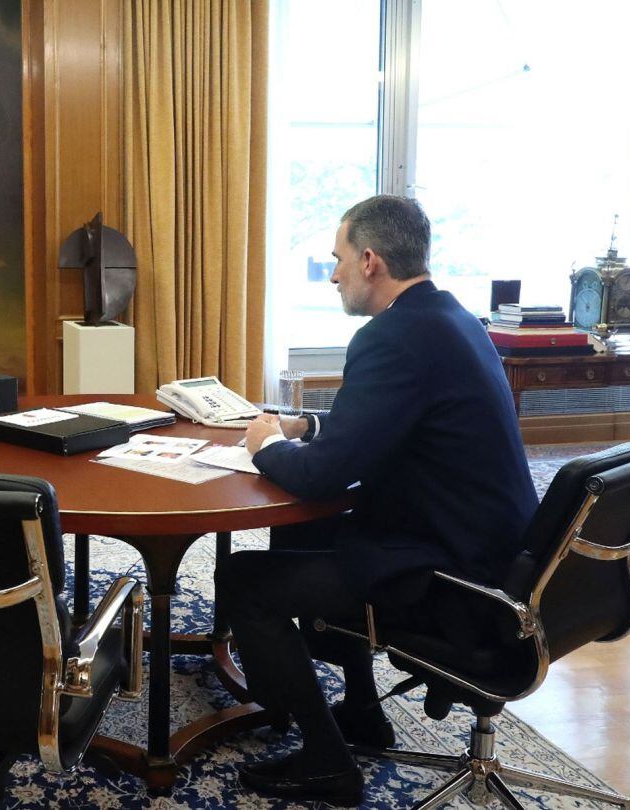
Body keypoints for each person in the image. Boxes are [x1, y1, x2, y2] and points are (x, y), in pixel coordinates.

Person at [217, 195, 538, 805]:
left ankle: (325, 762)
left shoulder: (391, 339)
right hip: (491, 553)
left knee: (243, 582)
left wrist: (262, 445)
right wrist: (305, 427)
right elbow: (381, 426)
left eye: (336, 259)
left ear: (369, 261)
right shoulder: (448, 319)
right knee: (302, 536)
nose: (333, 273)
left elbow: (323, 477)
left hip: (452, 579)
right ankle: (362, 711)